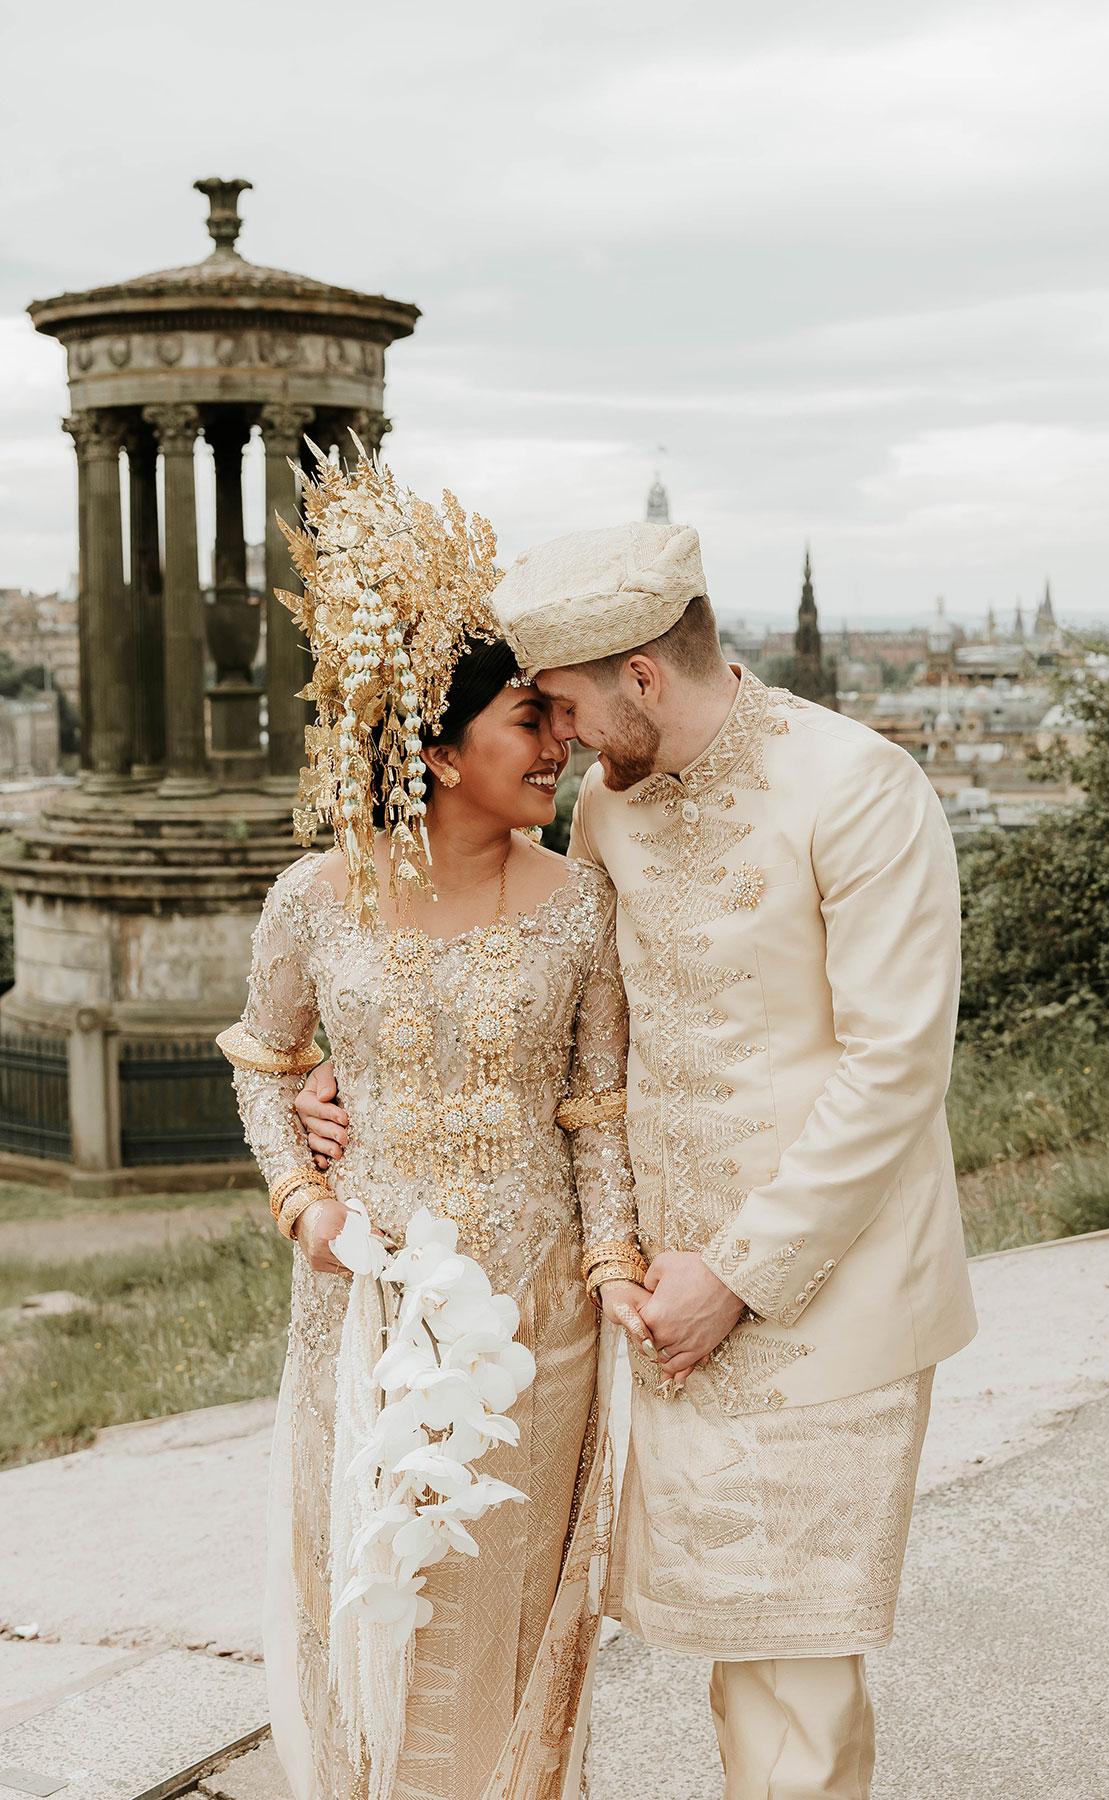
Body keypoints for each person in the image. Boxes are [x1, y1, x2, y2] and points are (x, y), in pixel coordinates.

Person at [299, 519, 978, 1800]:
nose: (557, 742)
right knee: (733, 1639)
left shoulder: (862, 787)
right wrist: (368, 1072)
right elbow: (560, 1002)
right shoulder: (611, 808)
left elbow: (897, 1066)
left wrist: (741, 1274)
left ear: (642, 677)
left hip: (828, 1294)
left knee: (797, 1664)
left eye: (561, 706)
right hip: (658, 1304)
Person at [218, 462, 648, 1800]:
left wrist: (617, 1272)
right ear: (440, 745)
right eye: (531, 721)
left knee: (515, 1611)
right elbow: (263, 1059)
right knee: (384, 1600)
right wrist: (306, 1201)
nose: (559, 744)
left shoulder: (578, 903)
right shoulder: (312, 902)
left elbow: (595, 1114)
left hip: (541, 1323)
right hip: (372, 1314)